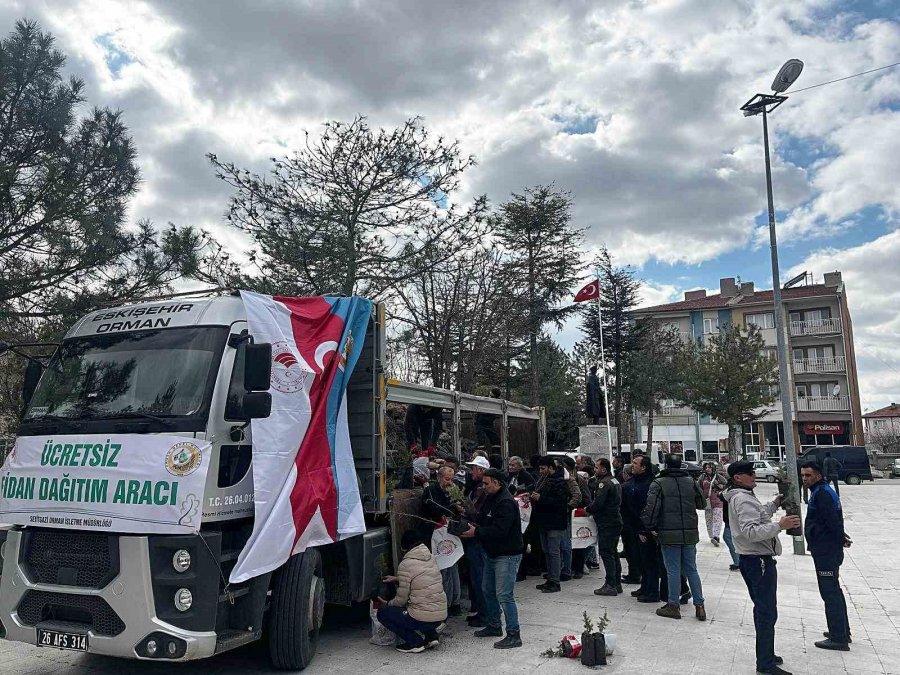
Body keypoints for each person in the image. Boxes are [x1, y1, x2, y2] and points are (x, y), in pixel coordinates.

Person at [727, 461, 800, 675]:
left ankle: (767, 653)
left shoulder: (744, 496)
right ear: (737, 478)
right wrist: (780, 526)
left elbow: (759, 514)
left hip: (754, 560)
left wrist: (775, 503)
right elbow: (750, 531)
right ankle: (765, 663)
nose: (753, 475)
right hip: (757, 560)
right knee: (766, 611)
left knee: (765, 608)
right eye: (749, 473)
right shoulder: (741, 499)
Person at [461, 468, 524, 649]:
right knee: (487, 589)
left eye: (487, 483)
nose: (484, 486)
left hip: (508, 555)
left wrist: (477, 532)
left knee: (504, 594)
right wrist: (471, 519)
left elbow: (500, 531)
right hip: (492, 553)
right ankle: (494, 625)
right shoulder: (491, 498)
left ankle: (514, 634)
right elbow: (483, 518)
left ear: (497, 483)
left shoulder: (506, 503)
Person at [642, 454, 707, 621]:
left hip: (668, 533)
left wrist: (648, 527)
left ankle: (673, 605)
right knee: (691, 569)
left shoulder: (658, 483)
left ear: (665, 465)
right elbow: (702, 504)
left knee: (673, 570)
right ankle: (700, 606)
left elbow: (651, 508)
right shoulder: (690, 482)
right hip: (690, 533)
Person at [801, 461, 851, 651]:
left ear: (819, 475)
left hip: (826, 550)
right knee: (834, 591)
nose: (805, 479)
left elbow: (832, 521)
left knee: (830, 592)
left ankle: (839, 638)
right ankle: (841, 630)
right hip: (826, 547)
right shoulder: (822, 491)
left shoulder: (822, 494)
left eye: (808, 475)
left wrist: (840, 539)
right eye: (803, 475)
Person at [378, 529, 448, 653]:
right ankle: (432, 637)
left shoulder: (406, 564)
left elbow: (401, 600)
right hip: (440, 616)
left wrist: (387, 604)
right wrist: (398, 579)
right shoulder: (430, 557)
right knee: (425, 603)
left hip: (422, 618)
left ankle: (414, 642)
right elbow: (421, 579)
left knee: (383, 613)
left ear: (405, 546)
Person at [421, 466, 462, 616]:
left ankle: (454, 602)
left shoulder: (452, 490)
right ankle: (448, 603)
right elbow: (434, 508)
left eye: (451, 479)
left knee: (452, 565)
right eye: (447, 479)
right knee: (444, 567)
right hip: (436, 533)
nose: (449, 483)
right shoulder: (431, 491)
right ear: (439, 477)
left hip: (449, 533)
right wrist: (451, 508)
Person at [530, 456, 569, 593]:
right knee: (547, 551)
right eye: (540, 468)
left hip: (554, 522)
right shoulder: (543, 480)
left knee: (553, 552)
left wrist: (540, 498)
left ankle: (555, 581)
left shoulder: (560, 482)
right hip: (544, 521)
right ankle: (551, 577)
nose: (540, 471)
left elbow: (560, 502)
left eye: (543, 468)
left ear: (551, 468)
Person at [623, 455, 659, 602]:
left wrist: (645, 529)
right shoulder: (634, 481)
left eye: (635, 463)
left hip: (645, 528)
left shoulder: (649, 483)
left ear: (643, 467)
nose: (632, 465)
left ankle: (652, 591)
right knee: (641, 559)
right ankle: (645, 587)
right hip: (634, 527)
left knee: (650, 561)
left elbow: (647, 508)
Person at [587, 458, 623, 596]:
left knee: (607, 553)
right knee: (613, 553)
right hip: (614, 520)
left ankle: (610, 584)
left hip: (607, 522)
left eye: (596, 468)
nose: (595, 470)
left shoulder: (604, 483)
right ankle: (616, 583)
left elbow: (598, 503)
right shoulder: (614, 481)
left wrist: (588, 509)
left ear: (604, 469)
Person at [462, 456, 490, 627]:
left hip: (477, 538)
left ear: (481, 470)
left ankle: (485, 614)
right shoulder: (474, 487)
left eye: (473, 468)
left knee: (480, 577)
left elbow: (476, 513)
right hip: (475, 537)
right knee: (476, 576)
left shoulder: (482, 490)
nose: (471, 472)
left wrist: (463, 510)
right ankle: (482, 610)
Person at [699, 462, 727, 546]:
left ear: (713, 468)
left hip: (717, 501)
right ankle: (711, 536)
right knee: (709, 520)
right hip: (707, 501)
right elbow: (698, 487)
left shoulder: (718, 477)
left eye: (709, 467)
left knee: (717, 519)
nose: (707, 469)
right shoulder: (702, 477)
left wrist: (719, 486)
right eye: (706, 467)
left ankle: (716, 536)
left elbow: (725, 484)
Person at [718, 477, 741, 571]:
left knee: (727, 537)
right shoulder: (735, 487)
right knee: (730, 538)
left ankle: (738, 561)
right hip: (731, 518)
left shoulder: (733, 488)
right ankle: (738, 561)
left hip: (732, 518)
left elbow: (722, 496)